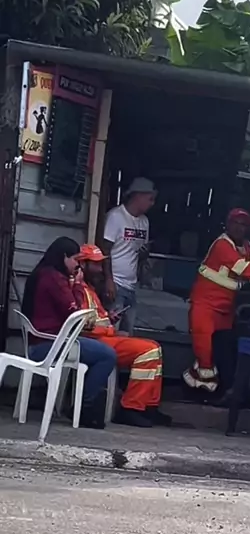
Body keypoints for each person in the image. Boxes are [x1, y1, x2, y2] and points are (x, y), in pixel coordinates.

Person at [183, 208, 250, 393]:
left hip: (225, 309)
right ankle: (199, 392)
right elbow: (243, 268)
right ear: (227, 225)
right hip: (204, 304)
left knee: (223, 352)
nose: (238, 227)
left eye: (243, 224)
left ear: (249, 229)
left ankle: (216, 392)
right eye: (235, 223)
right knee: (203, 351)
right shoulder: (221, 245)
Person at [22, 237, 117, 429]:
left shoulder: (42, 273)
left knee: (98, 351)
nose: (77, 265)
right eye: (75, 260)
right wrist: (77, 285)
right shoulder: (55, 279)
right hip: (48, 345)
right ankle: (85, 407)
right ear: (64, 256)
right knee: (107, 355)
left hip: (42, 342)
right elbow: (74, 312)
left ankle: (83, 404)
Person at [75, 243, 170, 429]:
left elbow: (95, 318)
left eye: (100, 264)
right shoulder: (78, 289)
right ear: (83, 264)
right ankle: (130, 408)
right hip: (95, 342)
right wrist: (106, 326)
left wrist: (109, 318)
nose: (100, 269)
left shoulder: (89, 288)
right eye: (95, 264)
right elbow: (82, 325)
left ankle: (148, 406)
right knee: (148, 351)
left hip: (105, 338)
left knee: (155, 347)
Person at [102, 177, 157, 334]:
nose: (152, 204)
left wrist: (144, 254)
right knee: (111, 331)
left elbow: (139, 253)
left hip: (131, 285)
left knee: (126, 333)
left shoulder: (144, 222)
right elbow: (105, 250)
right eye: (150, 199)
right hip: (116, 284)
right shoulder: (115, 216)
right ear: (138, 196)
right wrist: (108, 280)